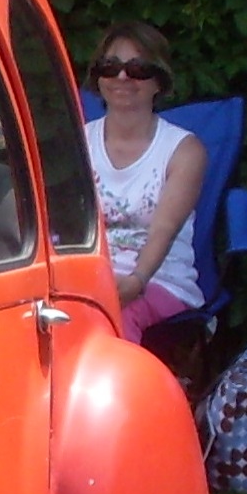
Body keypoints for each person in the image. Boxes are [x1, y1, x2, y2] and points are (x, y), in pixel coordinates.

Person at [84, 20, 206, 342]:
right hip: (88, 277)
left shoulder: (183, 150)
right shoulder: (77, 144)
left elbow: (163, 231)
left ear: (158, 81)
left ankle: (121, 393)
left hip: (157, 278)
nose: (122, 76)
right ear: (99, 79)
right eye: (111, 67)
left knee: (115, 318)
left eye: (137, 68)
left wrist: (136, 281)